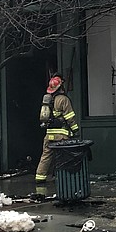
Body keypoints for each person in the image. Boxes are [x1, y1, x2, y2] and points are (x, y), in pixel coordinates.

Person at [33, 74, 79, 202]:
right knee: (63, 158)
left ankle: (40, 178)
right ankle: (62, 178)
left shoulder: (47, 100)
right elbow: (70, 117)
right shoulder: (63, 100)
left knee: (46, 156)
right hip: (61, 135)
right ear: (60, 87)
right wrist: (75, 130)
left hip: (49, 134)